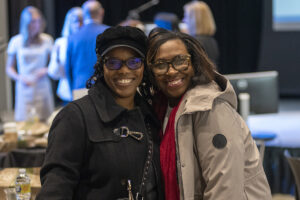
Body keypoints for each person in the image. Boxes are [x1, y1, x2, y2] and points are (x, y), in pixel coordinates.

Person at [37, 26, 164, 200]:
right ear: (101, 66)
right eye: (114, 62)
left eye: (134, 62)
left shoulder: (152, 115)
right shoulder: (75, 116)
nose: (124, 70)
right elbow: (56, 187)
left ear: (143, 67)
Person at [146, 28, 272, 200]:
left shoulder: (211, 109)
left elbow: (225, 190)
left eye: (180, 60)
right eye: (161, 64)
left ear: (194, 63)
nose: (171, 71)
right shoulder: (160, 107)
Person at [6, 6, 54, 121]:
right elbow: (9, 68)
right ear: (26, 23)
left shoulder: (47, 40)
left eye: (38, 21)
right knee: (25, 124)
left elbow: (54, 65)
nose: (36, 25)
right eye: (33, 22)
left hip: (42, 86)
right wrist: (19, 78)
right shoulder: (16, 41)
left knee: (44, 121)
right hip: (24, 86)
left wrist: (45, 70)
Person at [65, 0, 109, 95]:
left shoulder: (72, 37)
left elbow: (68, 69)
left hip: (80, 87)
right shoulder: (109, 33)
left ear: (84, 14)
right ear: (102, 12)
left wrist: (72, 90)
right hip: (106, 88)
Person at [48, 7, 83, 104]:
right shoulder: (61, 43)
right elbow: (53, 74)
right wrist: (57, 61)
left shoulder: (90, 41)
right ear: (69, 23)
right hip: (67, 94)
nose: (79, 25)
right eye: (75, 21)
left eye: (82, 21)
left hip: (87, 92)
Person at [183, 1, 219, 67]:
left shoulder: (194, 42)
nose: (184, 20)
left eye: (186, 16)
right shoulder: (211, 40)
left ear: (194, 20)